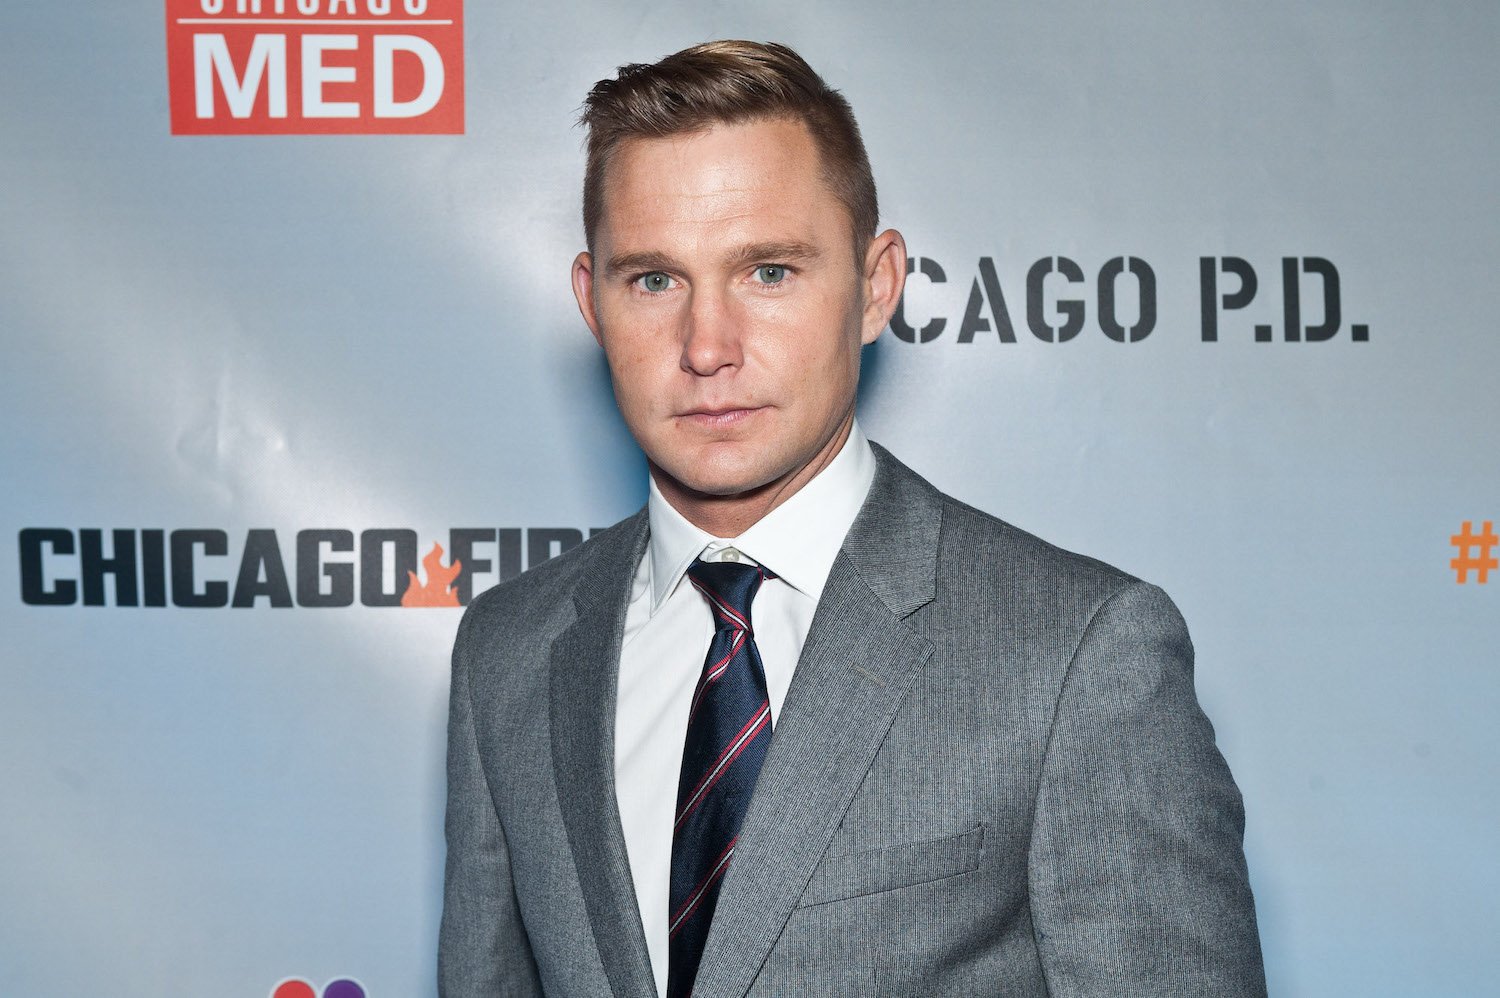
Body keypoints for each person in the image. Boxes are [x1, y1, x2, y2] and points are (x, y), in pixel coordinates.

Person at [439, 40, 1266, 998]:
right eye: (655, 280)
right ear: (592, 301)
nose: (707, 347)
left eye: (769, 272)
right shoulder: (510, 652)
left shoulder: (1077, 653)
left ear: (876, 287)